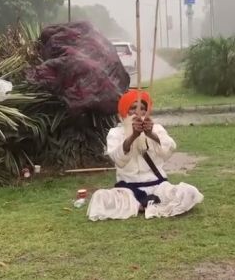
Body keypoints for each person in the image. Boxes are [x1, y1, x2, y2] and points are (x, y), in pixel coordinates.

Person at [87, 90, 203, 221]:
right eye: (133, 108)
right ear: (125, 112)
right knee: (100, 198)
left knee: (189, 192)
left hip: (158, 187)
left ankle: (144, 204)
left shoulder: (157, 129)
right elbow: (118, 159)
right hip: (128, 190)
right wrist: (133, 137)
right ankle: (142, 204)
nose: (138, 113)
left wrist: (151, 134)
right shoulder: (116, 133)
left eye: (142, 109)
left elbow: (169, 149)